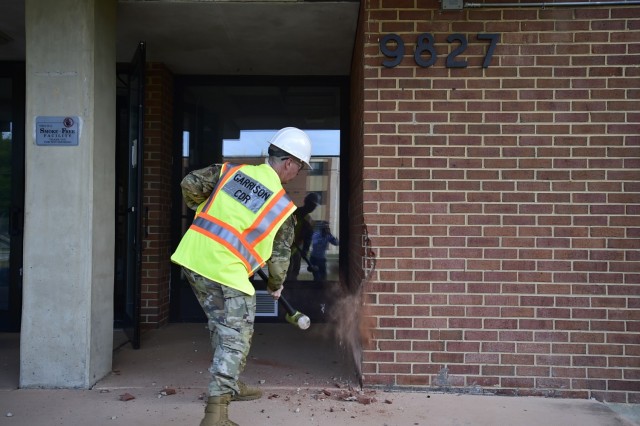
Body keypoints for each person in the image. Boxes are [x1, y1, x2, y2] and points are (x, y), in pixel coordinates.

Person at [170, 127, 312, 426]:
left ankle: (230, 384)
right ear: (288, 163)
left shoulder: (229, 172)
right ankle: (215, 415)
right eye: (300, 166)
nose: (298, 173)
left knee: (222, 325)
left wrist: (201, 207)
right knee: (236, 338)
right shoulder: (282, 207)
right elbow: (279, 260)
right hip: (224, 271)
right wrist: (276, 286)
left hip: (193, 258)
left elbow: (189, 182)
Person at [286, 192, 318, 281]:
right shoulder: (294, 213)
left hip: (296, 248)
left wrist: (305, 250)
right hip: (285, 245)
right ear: (305, 202)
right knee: (286, 269)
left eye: (314, 206)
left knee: (295, 270)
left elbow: (308, 238)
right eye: (311, 204)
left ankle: (291, 288)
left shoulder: (309, 221)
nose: (312, 207)